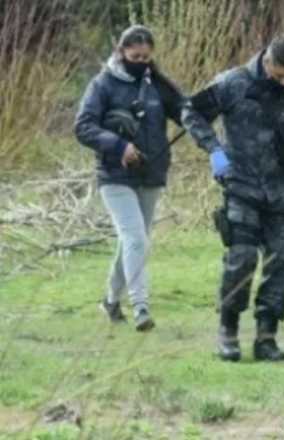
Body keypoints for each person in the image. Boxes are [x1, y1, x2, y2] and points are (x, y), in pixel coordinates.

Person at [182, 36, 284, 362]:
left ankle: (266, 338)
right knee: (241, 260)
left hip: (281, 194)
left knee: (282, 261)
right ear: (267, 61)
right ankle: (228, 334)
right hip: (240, 186)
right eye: (279, 75)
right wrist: (213, 149)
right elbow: (191, 112)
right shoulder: (233, 83)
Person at [75, 25, 185, 332]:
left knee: (132, 243)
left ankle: (110, 301)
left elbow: (186, 111)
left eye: (146, 57)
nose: (141, 62)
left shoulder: (158, 85)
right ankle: (141, 307)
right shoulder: (102, 85)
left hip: (151, 174)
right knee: (136, 239)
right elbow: (83, 126)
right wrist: (119, 145)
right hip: (114, 175)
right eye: (135, 56)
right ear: (121, 52)